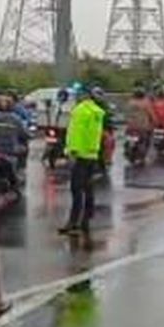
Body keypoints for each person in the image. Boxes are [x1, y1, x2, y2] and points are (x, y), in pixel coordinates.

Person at [60, 87, 105, 235]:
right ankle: (86, 218)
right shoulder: (97, 112)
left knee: (76, 189)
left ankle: (73, 222)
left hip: (79, 155)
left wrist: (72, 151)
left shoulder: (80, 111)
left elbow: (76, 133)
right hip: (92, 154)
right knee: (88, 188)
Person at [0, 96, 30, 186]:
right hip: (11, 148)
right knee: (24, 150)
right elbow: (23, 133)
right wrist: (29, 136)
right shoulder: (15, 118)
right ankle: (20, 170)